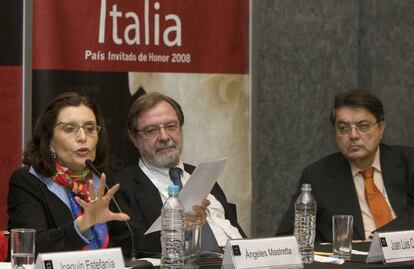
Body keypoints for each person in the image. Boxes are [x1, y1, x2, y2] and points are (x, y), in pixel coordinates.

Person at [111, 92, 246, 257]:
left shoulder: (203, 174)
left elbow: (233, 228)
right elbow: (132, 247)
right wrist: (176, 230)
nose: (164, 137)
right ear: (133, 138)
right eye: (151, 130)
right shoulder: (121, 187)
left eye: (170, 126)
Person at [277, 89, 414, 242]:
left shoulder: (409, 162)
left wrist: (379, 240)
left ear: (381, 128)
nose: (353, 135)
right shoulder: (317, 177)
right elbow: (289, 238)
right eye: (343, 128)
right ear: (334, 133)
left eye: (363, 126)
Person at [7, 92, 130, 255]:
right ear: (49, 139)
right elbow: (28, 246)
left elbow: (131, 240)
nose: (82, 137)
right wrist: (81, 227)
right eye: (70, 129)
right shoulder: (28, 181)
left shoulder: (102, 178)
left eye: (90, 128)